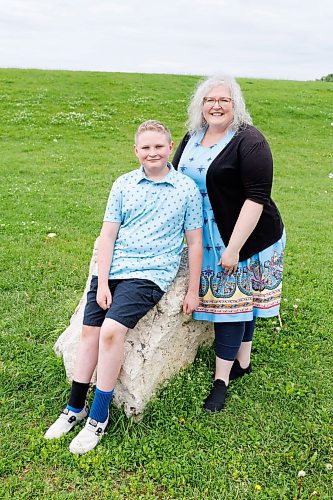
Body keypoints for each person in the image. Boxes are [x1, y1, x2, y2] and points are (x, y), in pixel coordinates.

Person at [44, 120, 203, 453]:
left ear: (170, 147)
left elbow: (195, 243)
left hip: (149, 274)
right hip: (114, 270)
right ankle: (75, 408)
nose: (153, 152)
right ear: (136, 151)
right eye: (145, 147)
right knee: (90, 332)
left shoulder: (185, 189)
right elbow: (108, 235)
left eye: (159, 146)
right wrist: (101, 282)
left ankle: (98, 419)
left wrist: (192, 290)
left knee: (112, 331)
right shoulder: (123, 184)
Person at [173, 75, 285, 412]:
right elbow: (176, 179)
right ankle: (244, 362)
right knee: (241, 300)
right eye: (210, 100)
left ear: (236, 105)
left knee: (232, 306)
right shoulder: (193, 136)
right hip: (204, 233)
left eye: (224, 100)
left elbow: (256, 198)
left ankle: (221, 380)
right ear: (200, 105)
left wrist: (233, 249)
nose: (216, 105)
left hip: (245, 235)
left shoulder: (250, 141)